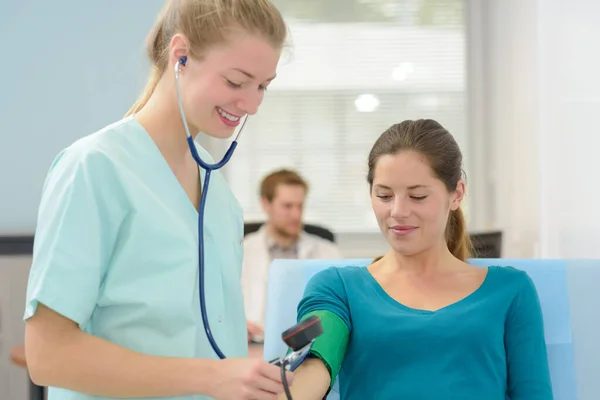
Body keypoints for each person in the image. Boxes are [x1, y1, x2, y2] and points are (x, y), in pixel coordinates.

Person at [22, 1, 295, 399]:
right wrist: (212, 378)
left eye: (263, 86)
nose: (252, 105)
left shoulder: (219, 196)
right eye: (237, 82)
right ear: (180, 56)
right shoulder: (95, 168)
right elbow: (48, 354)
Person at [282, 119, 553, 399]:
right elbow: (312, 360)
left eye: (418, 196)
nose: (398, 211)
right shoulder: (336, 288)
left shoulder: (510, 290)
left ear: (457, 194)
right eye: (384, 195)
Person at [242, 169, 342, 342]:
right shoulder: (241, 250)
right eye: (287, 206)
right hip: (254, 344)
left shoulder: (326, 251)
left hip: (312, 344)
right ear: (266, 204)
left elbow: (342, 307)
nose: (296, 215)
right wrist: (237, 325)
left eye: (300, 206)